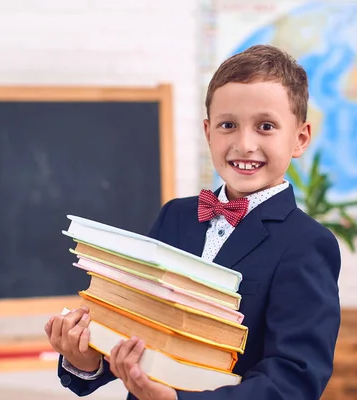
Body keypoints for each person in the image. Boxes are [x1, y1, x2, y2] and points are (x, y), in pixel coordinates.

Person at [44, 44, 341, 400]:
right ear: (208, 132)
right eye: (228, 125)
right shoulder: (176, 215)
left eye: (265, 126)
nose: (244, 144)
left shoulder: (308, 244)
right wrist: (87, 359)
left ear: (300, 138)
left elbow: (294, 381)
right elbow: (136, 325)